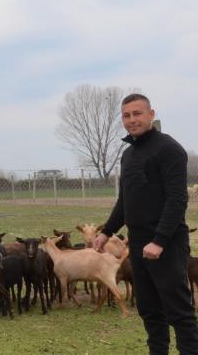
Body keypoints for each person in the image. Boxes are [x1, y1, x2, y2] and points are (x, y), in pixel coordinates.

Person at [94, 93, 198, 355]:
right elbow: (125, 200)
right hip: (139, 245)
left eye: (137, 113)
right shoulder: (128, 155)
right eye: (126, 115)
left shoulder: (169, 149)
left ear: (151, 114)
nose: (132, 120)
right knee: (150, 311)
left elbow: (177, 199)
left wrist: (160, 241)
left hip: (167, 244)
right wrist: (106, 232)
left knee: (179, 312)